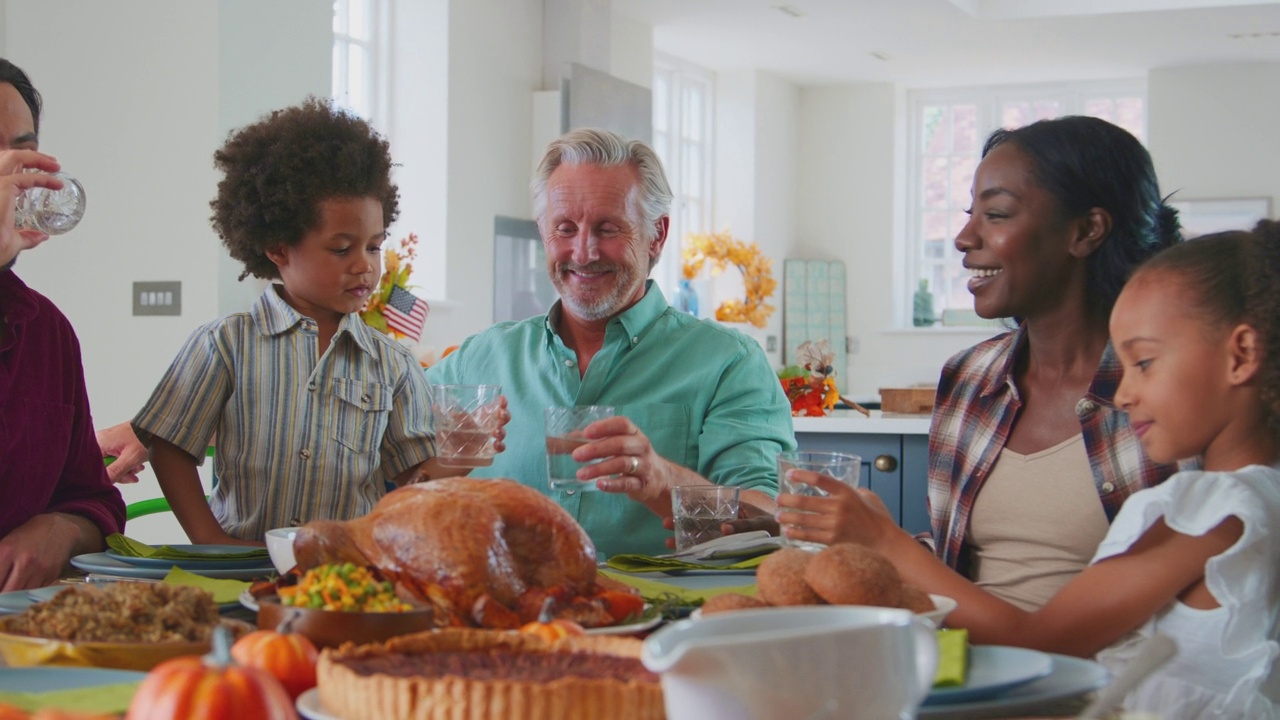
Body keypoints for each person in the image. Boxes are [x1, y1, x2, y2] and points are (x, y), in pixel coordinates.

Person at [808, 222, 1280, 717]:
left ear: (1241, 355)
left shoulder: (1212, 512)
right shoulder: (1257, 497)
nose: (1122, 394)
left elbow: (1042, 640)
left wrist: (885, 542)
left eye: (1143, 363)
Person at [777, 116, 1185, 610]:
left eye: (995, 215)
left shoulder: (1170, 391)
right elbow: (951, 568)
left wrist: (886, 541)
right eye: (971, 214)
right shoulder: (970, 378)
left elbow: (1180, 609)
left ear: (1086, 230)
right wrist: (858, 542)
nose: (963, 238)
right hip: (960, 666)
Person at [427, 127, 795, 559]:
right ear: (543, 232)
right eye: (565, 228)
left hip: (661, 614)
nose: (583, 252)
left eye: (608, 228)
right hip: (504, 618)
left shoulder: (728, 363)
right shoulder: (482, 358)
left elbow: (768, 520)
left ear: (656, 234)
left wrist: (663, 482)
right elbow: (389, 456)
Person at [132, 98, 481, 546]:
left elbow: (413, 481)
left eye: (374, 247)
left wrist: (460, 453)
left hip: (346, 572)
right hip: (242, 570)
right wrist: (210, 540)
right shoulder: (225, 344)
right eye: (342, 249)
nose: (365, 266)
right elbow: (171, 447)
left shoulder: (393, 364)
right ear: (278, 248)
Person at [0, 58, 126, 590]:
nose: (13, 172)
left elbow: (94, 501)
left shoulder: (48, 331)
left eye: (20, 148)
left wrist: (61, 528)